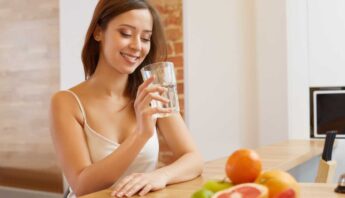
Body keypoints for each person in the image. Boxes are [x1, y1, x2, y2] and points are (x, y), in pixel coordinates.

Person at [50, 0, 203, 197]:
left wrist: (160, 176)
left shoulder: (152, 92)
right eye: (125, 34)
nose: (137, 46)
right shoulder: (66, 102)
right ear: (98, 32)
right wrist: (141, 134)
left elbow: (194, 158)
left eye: (146, 38)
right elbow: (82, 185)